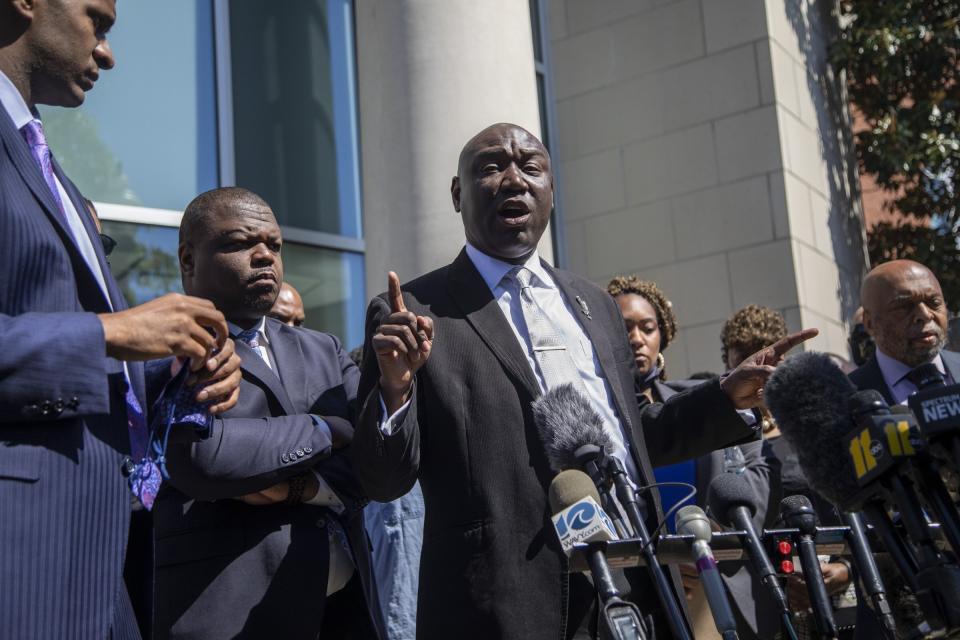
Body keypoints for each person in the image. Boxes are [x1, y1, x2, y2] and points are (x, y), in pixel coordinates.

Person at [351, 122, 816, 639]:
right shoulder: (414, 312)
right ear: (458, 194)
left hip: (632, 573)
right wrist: (395, 389)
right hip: (503, 600)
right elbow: (383, 479)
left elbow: (634, 433)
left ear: (551, 189)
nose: (513, 180)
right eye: (490, 168)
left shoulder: (593, 303)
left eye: (530, 167)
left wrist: (724, 398)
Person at [0, 2, 241, 638]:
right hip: (24, 563)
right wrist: (117, 333)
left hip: (104, 571)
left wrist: (173, 367)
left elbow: (86, 360)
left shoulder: (61, 185)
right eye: (98, 22)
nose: (108, 53)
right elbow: (103, 338)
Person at [148, 187, 383, 639]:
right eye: (240, 243)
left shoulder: (323, 348)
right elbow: (203, 460)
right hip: (227, 613)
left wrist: (302, 487)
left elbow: (372, 463)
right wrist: (323, 428)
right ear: (188, 259)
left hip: (342, 611)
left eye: (274, 245)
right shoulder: (166, 343)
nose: (264, 256)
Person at [608, 277, 782, 640]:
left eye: (647, 327)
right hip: (639, 595)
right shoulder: (598, 417)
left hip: (719, 586)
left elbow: (758, 471)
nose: (637, 339)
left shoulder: (707, 398)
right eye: (624, 328)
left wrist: (712, 542)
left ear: (663, 336)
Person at [850, 259, 959, 403]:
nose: (925, 315)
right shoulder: (842, 397)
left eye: (934, 303)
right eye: (904, 307)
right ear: (870, 323)